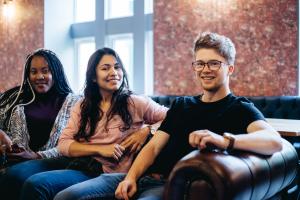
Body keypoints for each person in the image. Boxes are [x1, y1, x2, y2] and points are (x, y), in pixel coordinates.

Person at [113, 32, 283, 199]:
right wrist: (131, 178)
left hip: (170, 186)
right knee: (85, 192)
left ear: (230, 69)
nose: (205, 70)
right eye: (200, 64)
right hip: (139, 177)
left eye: (214, 64)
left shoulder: (240, 108)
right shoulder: (182, 105)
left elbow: (274, 142)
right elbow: (154, 147)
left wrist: (224, 141)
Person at [9, 47, 167, 200]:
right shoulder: (83, 105)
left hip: (115, 175)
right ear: (93, 77)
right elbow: (64, 144)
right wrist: (101, 149)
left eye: (117, 67)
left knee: (53, 191)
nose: (113, 73)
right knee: (34, 184)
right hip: (86, 167)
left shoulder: (135, 102)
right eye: (105, 68)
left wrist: (146, 131)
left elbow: (173, 116)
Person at [0, 48, 79, 199]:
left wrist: (35, 156)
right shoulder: (19, 102)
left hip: (57, 161)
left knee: (14, 176)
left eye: (45, 71)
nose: (39, 76)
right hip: (21, 161)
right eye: (33, 72)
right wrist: (9, 143)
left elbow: (72, 144)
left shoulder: (75, 103)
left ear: (56, 73)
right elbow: (16, 140)